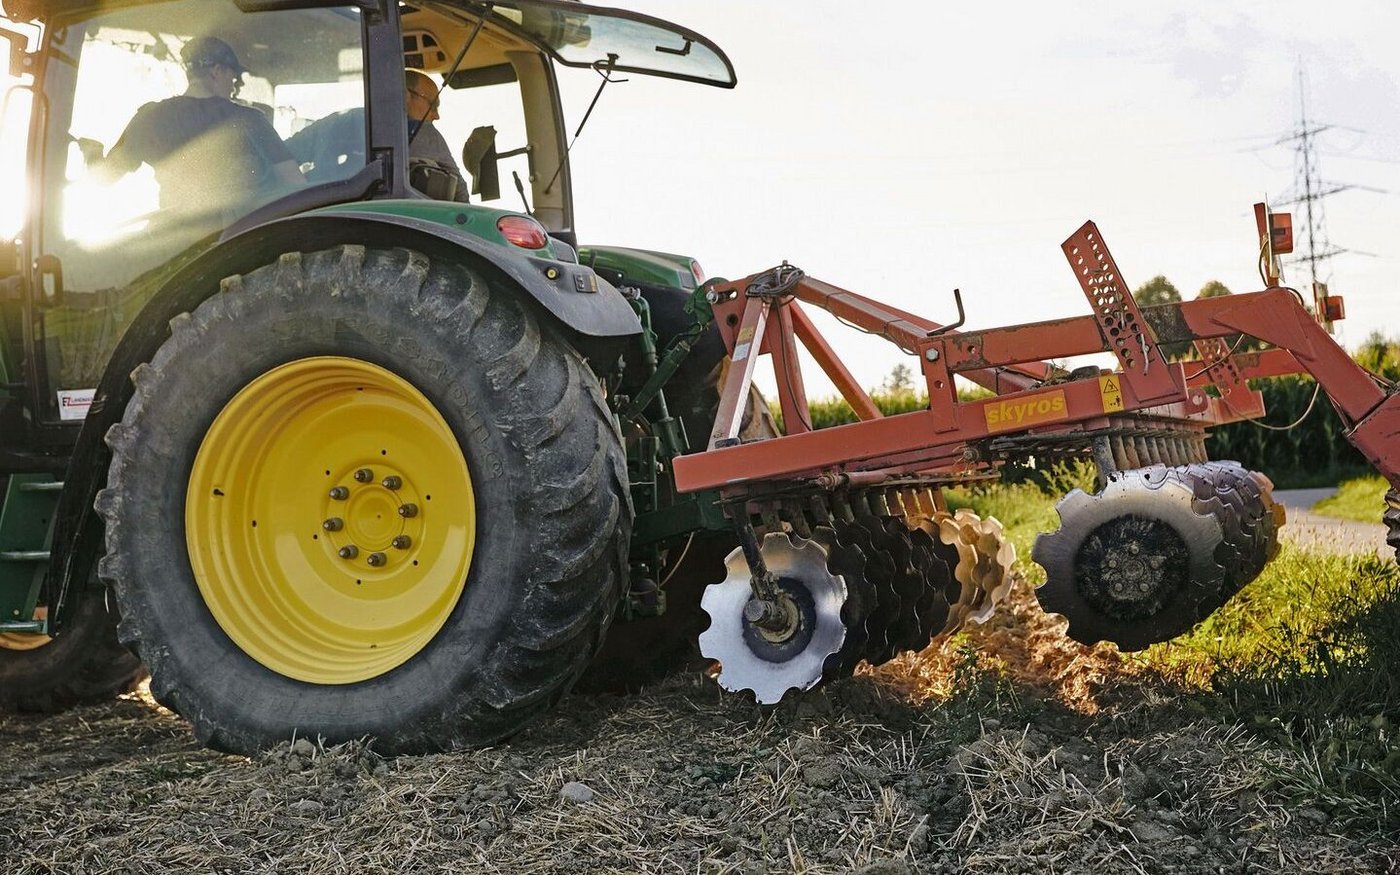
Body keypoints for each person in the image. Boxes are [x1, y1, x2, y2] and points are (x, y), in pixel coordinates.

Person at [81, 36, 304, 222]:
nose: (233, 88)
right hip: (239, 242)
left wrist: (91, 152)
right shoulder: (249, 119)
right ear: (217, 71)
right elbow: (296, 185)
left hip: (176, 248)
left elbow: (104, 177)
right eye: (233, 79)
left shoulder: (148, 118)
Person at [405, 68, 471, 202]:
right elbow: (460, 190)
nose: (436, 115)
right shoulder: (423, 131)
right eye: (433, 105)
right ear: (406, 95)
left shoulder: (360, 126)